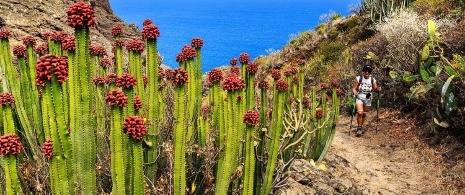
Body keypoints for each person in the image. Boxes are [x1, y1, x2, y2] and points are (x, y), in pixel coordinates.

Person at [352, 63, 381, 137]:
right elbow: (354, 88)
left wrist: (378, 89)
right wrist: (355, 92)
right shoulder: (359, 78)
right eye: (365, 70)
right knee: (360, 113)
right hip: (360, 96)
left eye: (369, 71)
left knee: (364, 113)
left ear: (370, 72)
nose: (367, 72)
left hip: (368, 98)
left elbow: (375, 89)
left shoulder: (372, 80)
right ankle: (359, 128)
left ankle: (361, 126)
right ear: (363, 71)